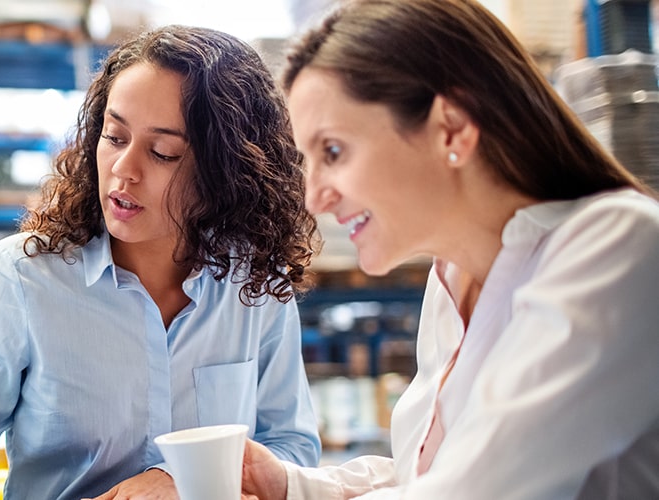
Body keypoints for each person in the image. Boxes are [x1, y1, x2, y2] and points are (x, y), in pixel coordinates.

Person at [0, 24, 321, 500]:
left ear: (225, 170)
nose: (124, 169)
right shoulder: (24, 275)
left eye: (163, 152)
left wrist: (178, 479)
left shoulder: (255, 287)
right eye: (114, 136)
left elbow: (291, 448)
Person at [238, 0, 659, 498]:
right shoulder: (451, 279)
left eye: (333, 151)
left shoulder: (616, 247)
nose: (315, 197)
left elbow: (475, 489)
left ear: (452, 127)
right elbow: (437, 473)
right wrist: (288, 484)